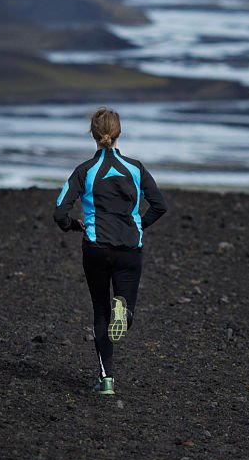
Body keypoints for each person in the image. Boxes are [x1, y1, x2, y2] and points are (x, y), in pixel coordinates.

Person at [53, 107, 167, 396]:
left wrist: (71, 225)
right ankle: (125, 314)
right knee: (123, 308)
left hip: (95, 247)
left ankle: (107, 381)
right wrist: (139, 223)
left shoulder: (84, 171)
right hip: (130, 248)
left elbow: (58, 212)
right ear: (118, 133)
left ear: (93, 134)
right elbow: (159, 205)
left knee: (100, 311)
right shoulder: (136, 168)